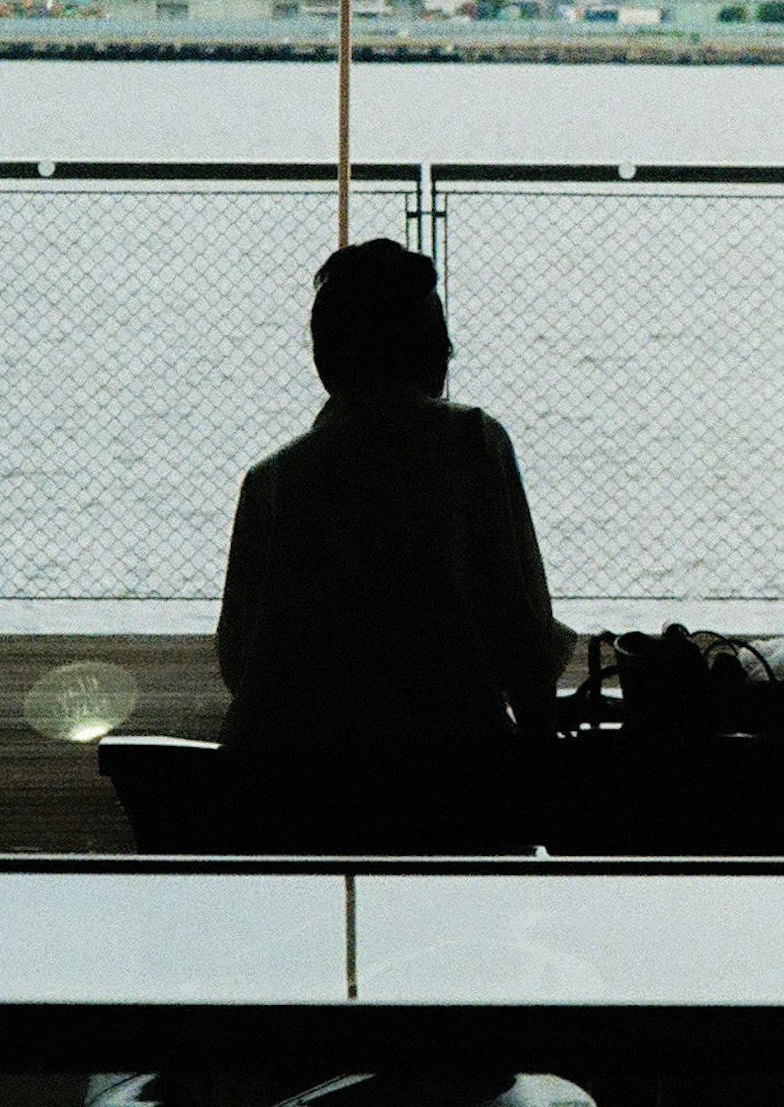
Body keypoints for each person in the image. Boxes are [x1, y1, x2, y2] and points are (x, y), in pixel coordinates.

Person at [216, 239, 574, 838]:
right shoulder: (473, 444)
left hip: (295, 805)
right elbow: (521, 634)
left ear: (325, 358)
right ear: (434, 351)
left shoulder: (272, 480)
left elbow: (241, 662)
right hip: (453, 792)